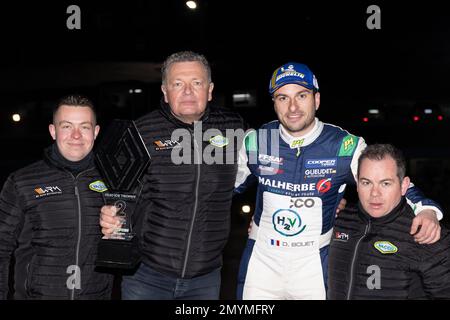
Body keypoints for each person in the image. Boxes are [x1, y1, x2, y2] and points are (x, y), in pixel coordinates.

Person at [235, 62, 443, 300]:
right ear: (274, 103)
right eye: (283, 98)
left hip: (313, 264)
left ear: (317, 99)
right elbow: (217, 188)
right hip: (262, 262)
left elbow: (386, 180)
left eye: (301, 95)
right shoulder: (258, 140)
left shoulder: (344, 145)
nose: (292, 106)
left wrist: (426, 209)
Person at [100, 51, 246, 299]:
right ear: (165, 91)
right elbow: (117, 192)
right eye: (178, 84)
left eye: (196, 83)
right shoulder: (140, 132)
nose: (188, 91)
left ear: (209, 90)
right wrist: (108, 212)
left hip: (206, 279)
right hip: (146, 277)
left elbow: (265, 172)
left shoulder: (233, 127)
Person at [0, 94, 114, 299]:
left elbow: (137, 240)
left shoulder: (114, 179)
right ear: (53, 131)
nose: (76, 135)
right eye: (67, 126)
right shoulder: (22, 181)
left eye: (85, 127)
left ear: (96, 132)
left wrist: (123, 230)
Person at [327, 144, 450, 299]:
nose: (375, 193)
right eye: (366, 182)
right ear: (357, 184)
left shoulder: (427, 233)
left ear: (404, 185)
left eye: (385, 183)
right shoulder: (338, 220)